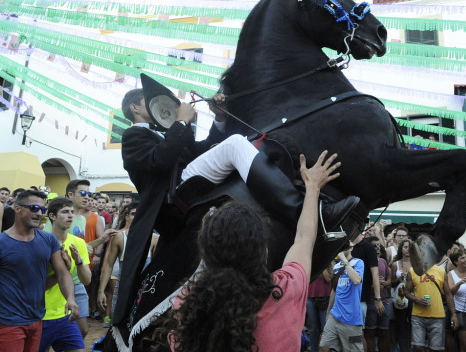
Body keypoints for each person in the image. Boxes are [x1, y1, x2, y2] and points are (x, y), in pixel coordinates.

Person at [114, 85, 360, 326]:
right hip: (173, 194)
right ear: (134, 107)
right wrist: (180, 123)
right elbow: (160, 161)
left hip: (188, 178)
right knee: (234, 146)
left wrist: (219, 117)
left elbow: (203, 149)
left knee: (239, 142)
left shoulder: (167, 133)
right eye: (148, 100)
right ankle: (305, 212)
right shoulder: (132, 136)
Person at [145, 150, 344, 351]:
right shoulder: (286, 291)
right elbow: (304, 238)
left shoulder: (188, 306)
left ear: (205, 256)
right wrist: (312, 188)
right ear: (264, 255)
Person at [0, 190, 79, 352]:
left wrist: (70, 298)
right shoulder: (2, 243)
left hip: (37, 319)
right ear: (17, 208)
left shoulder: (48, 240)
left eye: (43, 209)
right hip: (8, 322)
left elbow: (62, 273)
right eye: (34, 208)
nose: (40, 213)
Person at [39, 197, 91, 352]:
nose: (70, 215)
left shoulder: (78, 242)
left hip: (64, 314)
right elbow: (38, 286)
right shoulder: (40, 241)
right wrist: (60, 271)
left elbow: (87, 280)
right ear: (52, 216)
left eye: (72, 212)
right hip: (41, 315)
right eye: (65, 212)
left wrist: (79, 261)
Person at [404, 262, 459, 352]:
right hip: (418, 316)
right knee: (418, 347)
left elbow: (448, 294)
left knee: (435, 349)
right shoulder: (413, 271)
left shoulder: (441, 271)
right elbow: (406, 292)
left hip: (437, 316)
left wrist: (453, 314)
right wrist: (416, 299)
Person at [319, 246, 364, 352]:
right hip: (335, 315)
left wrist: (345, 261)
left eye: (345, 246)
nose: (342, 248)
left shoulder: (358, 262)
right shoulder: (336, 267)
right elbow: (334, 291)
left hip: (351, 318)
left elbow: (357, 280)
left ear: (351, 247)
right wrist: (328, 313)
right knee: (324, 347)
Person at [365, 236, 391, 352]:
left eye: (378, 245)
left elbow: (390, 278)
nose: (377, 247)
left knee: (384, 332)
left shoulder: (383, 262)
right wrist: (374, 286)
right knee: (370, 333)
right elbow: (361, 282)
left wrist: (385, 283)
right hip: (371, 302)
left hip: (385, 302)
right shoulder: (365, 263)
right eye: (374, 245)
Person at [391, 239, 412, 352]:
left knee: (414, 324)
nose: (407, 249)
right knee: (401, 325)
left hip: (413, 298)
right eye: (405, 247)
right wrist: (399, 280)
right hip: (400, 297)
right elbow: (391, 283)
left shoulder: (416, 263)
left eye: (409, 247)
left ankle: (413, 347)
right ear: (401, 249)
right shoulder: (395, 264)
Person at [306, 264, 333, 352]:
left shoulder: (328, 262)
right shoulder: (310, 260)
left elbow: (328, 278)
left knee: (325, 328)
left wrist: (322, 261)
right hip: (310, 296)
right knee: (313, 329)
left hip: (324, 298)